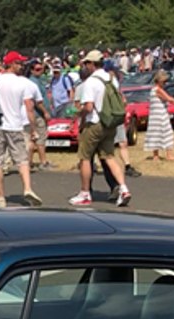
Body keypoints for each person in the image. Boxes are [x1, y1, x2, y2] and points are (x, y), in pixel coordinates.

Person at [68, 50, 131, 207]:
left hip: (95, 122)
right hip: (110, 123)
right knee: (109, 156)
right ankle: (123, 188)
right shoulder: (111, 79)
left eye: (86, 63)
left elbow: (88, 107)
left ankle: (85, 193)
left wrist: (77, 113)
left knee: (85, 157)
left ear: (91, 64)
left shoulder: (90, 82)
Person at [0, 52, 42, 208]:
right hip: (15, 125)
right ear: (11, 64)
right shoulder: (22, 83)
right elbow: (29, 107)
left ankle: (0, 196)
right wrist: (33, 128)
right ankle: (27, 188)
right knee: (22, 159)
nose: (22, 66)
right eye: (19, 63)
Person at [144, 70, 174, 161]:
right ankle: (169, 155)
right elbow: (169, 99)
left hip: (154, 116)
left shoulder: (153, 89)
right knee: (167, 133)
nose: (165, 83)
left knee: (155, 134)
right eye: (164, 81)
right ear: (159, 81)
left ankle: (155, 156)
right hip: (160, 115)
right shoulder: (158, 90)